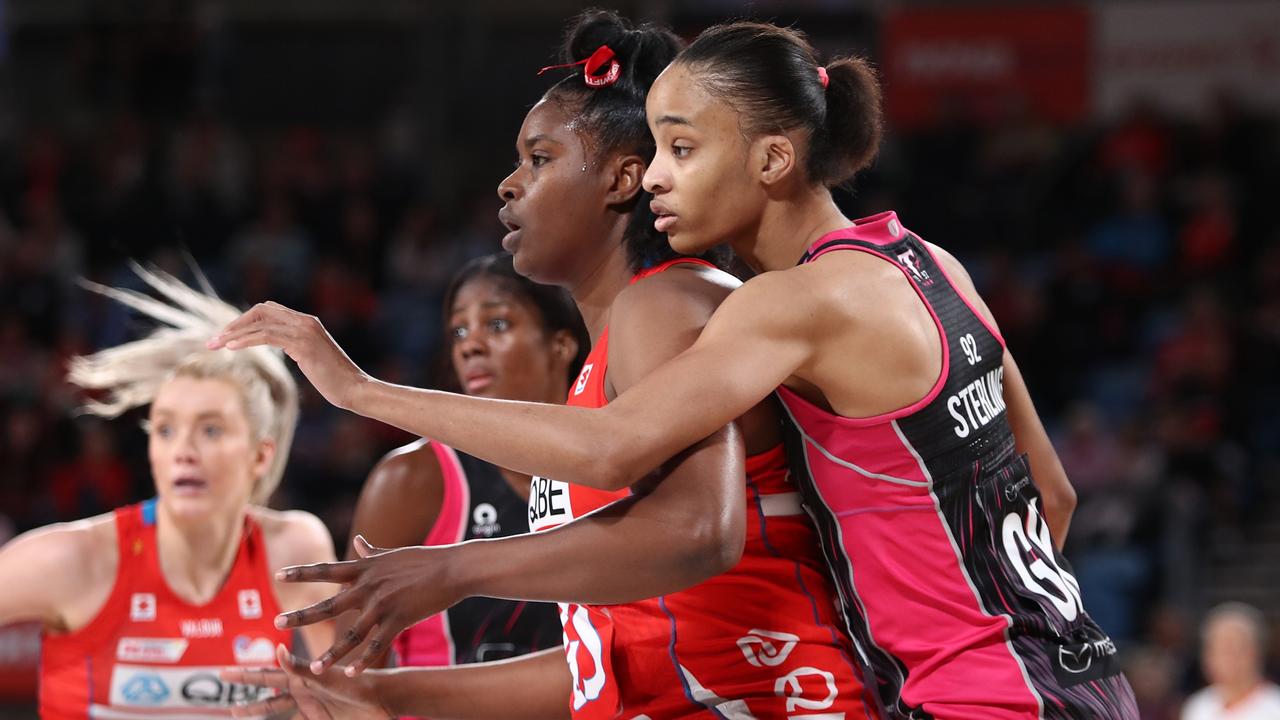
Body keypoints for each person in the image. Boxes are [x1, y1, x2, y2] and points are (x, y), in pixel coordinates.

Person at [222, 10, 871, 720]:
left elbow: (699, 531)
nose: (508, 184)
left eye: (538, 159)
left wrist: (451, 563)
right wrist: (376, 692)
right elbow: (599, 660)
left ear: (624, 179)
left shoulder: (671, 300)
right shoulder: (609, 353)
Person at [0, 264, 338, 718]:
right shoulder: (73, 560)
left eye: (211, 430)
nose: (184, 451)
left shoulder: (292, 550)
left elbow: (349, 702)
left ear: (260, 455)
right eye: (165, 429)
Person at [348, 253, 582, 667]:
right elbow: (352, 669)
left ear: (561, 344)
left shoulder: (615, 464)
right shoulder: (412, 477)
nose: (470, 345)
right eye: (458, 331)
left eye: (497, 324)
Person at [1181, 602, 1280, 720]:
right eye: (1218, 647)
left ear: (1256, 651)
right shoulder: (1197, 706)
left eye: (1235, 646)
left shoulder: (1275, 707)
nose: (1227, 657)